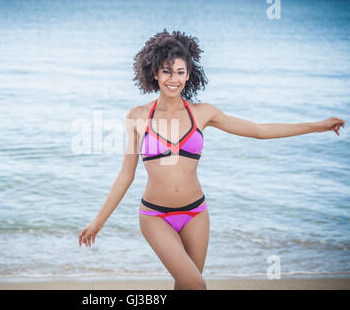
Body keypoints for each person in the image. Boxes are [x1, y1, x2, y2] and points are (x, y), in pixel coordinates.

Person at [78, 29, 345, 290]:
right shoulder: (137, 116)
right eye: (167, 71)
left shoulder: (203, 114)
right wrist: (98, 222)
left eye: (180, 72)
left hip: (196, 213)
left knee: (186, 286)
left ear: (189, 74)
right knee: (196, 284)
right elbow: (126, 174)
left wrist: (316, 126)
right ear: (155, 73)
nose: (174, 79)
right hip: (155, 216)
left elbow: (260, 131)